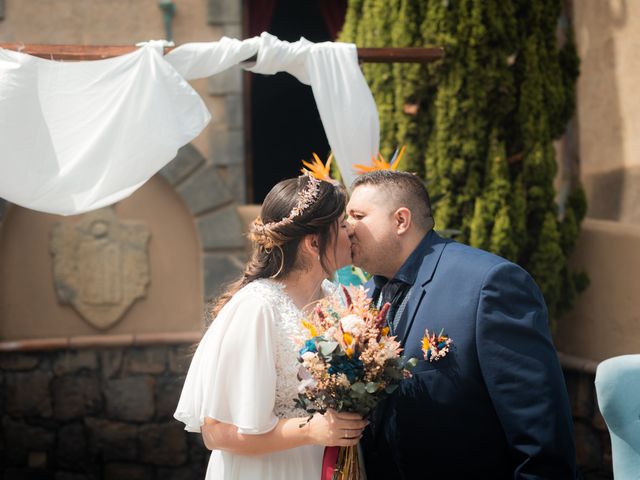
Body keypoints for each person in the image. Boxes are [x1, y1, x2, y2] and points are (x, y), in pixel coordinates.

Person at [346, 170, 576, 479]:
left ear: (401, 220)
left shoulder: (488, 284)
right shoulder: (365, 298)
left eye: (357, 215)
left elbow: (540, 428)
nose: (346, 227)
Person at [174, 174, 368, 480]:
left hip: (329, 465)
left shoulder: (340, 299)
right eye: (342, 224)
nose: (351, 231)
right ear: (313, 242)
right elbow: (216, 433)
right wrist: (311, 431)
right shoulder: (257, 308)